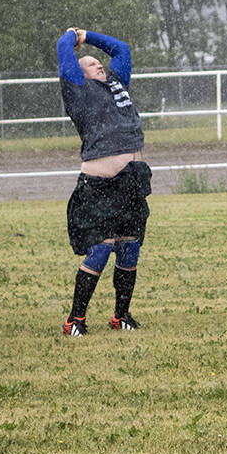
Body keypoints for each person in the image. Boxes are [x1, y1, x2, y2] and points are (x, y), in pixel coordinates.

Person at [56, 27, 152, 336]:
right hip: (101, 187)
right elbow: (62, 49)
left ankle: (121, 316)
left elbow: (122, 49)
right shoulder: (77, 90)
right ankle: (75, 319)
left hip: (132, 182)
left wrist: (90, 36)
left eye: (100, 62)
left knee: (130, 249)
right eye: (91, 63)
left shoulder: (116, 83)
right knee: (100, 251)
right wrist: (73, 36)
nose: (99, 64)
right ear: (79, 73)